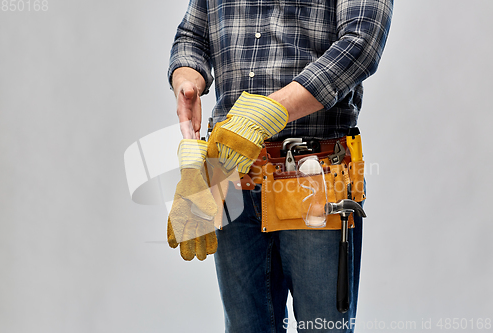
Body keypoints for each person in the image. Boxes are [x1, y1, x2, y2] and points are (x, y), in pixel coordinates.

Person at [167, 0, 393, 332]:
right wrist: (187, 83)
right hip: (230, 174)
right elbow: (191, 36)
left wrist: (267, 112)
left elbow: (361, 43)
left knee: (324, 327)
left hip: (314, 176)